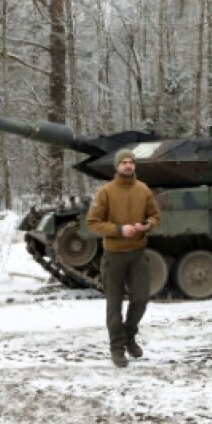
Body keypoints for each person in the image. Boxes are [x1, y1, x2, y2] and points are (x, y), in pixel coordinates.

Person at [85, 148, 161, 368]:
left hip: (137, 253)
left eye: (131, 162)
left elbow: (154, 216)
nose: (128, 165)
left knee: (140, 298)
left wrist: (147, 225)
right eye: (124, 162)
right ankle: (117, 348)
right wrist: (119, 230)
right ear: (117, 166)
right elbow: (92, 222)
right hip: (114, 255)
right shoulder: (106, 192)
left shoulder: (143, 189)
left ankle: (129, 335)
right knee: (114, 304)